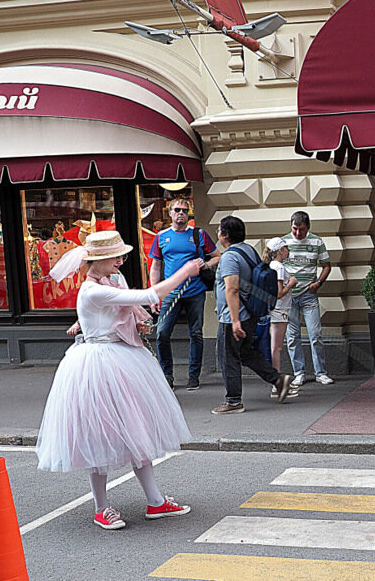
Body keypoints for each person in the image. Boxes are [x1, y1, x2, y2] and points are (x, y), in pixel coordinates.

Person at [36, 231, 199, 531]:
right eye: (115, 256)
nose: (121, 260)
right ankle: (101, 508)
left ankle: (155, 500)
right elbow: (149, 295)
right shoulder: (92, 291)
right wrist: (185, 272)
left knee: (136, 431)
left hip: (122, 360)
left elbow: (127, 310)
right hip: (97, 365)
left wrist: (137, 322)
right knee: (100, 437)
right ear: (97, 261)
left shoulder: (112, 280)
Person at [213, 216, 296, 414]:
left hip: (234, 317)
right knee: (245, 352)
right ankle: (278, 380)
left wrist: (234, 321)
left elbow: (232, 289)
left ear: (225, 235)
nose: (217, 233)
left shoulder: (229, 257)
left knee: (228, 357)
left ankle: (233, 401)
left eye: (219, 230)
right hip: (250, 313)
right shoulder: (248, 250)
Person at [148, 197, 220, 391]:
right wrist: (154, 293)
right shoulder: (161, 237)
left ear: (188, 214)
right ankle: (167, 375)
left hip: (195, 291)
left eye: (184, 210)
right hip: (170, 293)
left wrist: (204, 263)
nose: (181, 213)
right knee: (162, 333)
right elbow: (155, 266)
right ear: (170, 213)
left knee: (195, 333)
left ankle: (193, 375)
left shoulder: (199, 234)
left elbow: (217, 256)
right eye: (177, 210)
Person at [280, 211, 333, 386]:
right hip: (289, 296)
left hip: (309, 294)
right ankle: (299, 372)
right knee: (292, 336)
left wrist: (318, 282)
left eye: (301, 230)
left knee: (315, 334)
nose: (297, 233)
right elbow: (275, 265)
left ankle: (321, 372)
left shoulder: (317, 242)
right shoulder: (284, 242)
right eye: (294, 229)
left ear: (308, 227)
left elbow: (326, 265)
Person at [264, 237, 299, 397]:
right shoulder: (278, 267)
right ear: (280, 251)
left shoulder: (273, 265)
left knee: (276, 347)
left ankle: (276, 382)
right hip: (279, 311)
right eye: (286, 248)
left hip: (277, 310)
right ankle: (276, 385)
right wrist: (291, 283)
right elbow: (279, 293)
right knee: (276, 348)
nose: (288, 251)